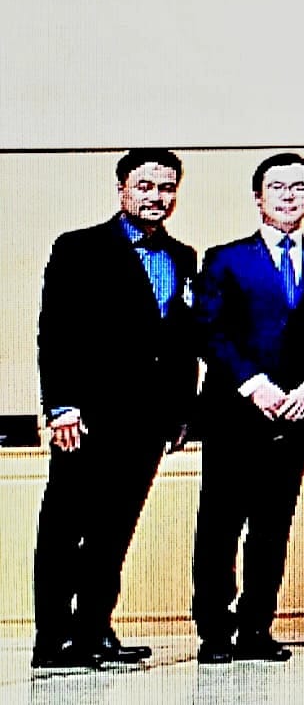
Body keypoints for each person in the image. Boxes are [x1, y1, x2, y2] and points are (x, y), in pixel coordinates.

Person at [32, 150, 199, 671]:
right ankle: (53, 641)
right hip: (86, 418)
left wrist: (182, 411)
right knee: (65, 529)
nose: (156, 197)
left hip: (149, 421)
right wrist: (61, 406)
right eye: (145, 186)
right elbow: (56, 332)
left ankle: (93, 630)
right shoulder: (79, 247)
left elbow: (183, 340)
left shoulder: (183, 256)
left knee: (113, 532)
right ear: (122, 188)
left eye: (166, 187)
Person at [191, 152, 304, 664]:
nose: (289, 195)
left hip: (297, 415)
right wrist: (254, 385)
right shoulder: (224, 258)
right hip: (235, 412)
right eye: (278, 187)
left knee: (272, 526)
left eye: (299, 187)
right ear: (258, 197)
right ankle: (214, 630)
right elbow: (210, 330)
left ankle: (256, 626)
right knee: (220, 524)